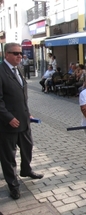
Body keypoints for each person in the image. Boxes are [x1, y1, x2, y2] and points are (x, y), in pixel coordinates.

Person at [0, 43, 43, 200]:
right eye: (15, 53)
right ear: (6, 54)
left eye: (21, 53)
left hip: (24, 121)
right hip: (7, 124)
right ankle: (13, 185)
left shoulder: (19, 70)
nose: (20, 56)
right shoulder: (1, 71)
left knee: (28, 147)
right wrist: (9, 118)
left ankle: (26, 170)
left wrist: (28, 113)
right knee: (8, 157)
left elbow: (21, 97)